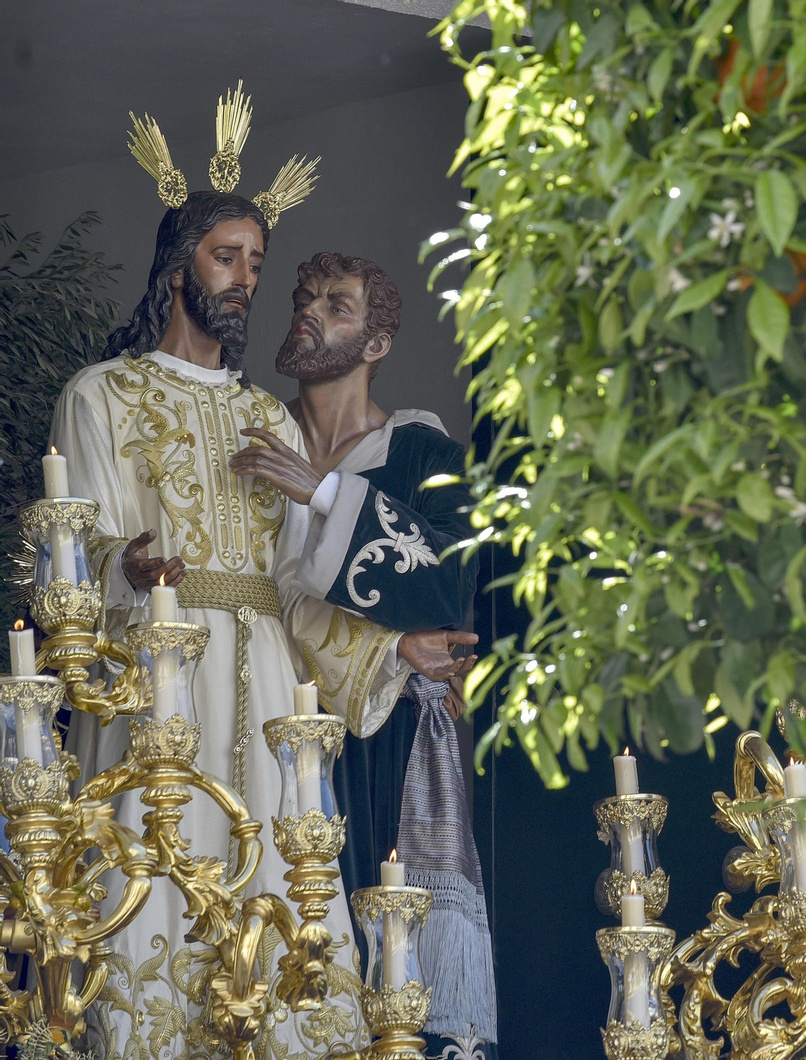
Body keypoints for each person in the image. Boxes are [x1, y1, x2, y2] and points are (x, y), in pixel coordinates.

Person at [53, 99, 470, 1060]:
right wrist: (130, 566)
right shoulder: (101, 394)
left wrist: (389, 646)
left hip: (271, 689)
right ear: (177, 264)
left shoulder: (265, 421)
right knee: (157, 876)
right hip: (161, 675)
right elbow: (79, 555)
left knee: (285, 896)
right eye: (226, 257)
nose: (246, 279)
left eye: (254, 261)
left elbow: (294, 584)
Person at [233, 250, 496, 1057]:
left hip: (384, 738)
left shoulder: (419, 453)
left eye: (338, 306)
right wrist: (390, 639)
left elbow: (454, 583)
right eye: (304, 299)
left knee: (388, 951)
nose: (310, 311)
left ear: (376, 343)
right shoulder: (252, 439)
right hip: (267, 718)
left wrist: (322, 495)